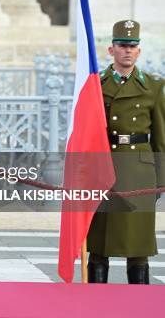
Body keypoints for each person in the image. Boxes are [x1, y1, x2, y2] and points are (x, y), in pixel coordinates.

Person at [87, 20, 164, 284]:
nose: (128, 51)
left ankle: (139, 302)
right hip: (104, 168)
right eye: (122, 46)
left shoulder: (153, 87)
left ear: (139, 51)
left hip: (139, 172)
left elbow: (161, 140)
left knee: (138, 246)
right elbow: (84, 134)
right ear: (111, 50)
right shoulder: (96, 84)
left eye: (133, 46)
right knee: (99, 246)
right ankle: (96, 302)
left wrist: (162, 181)